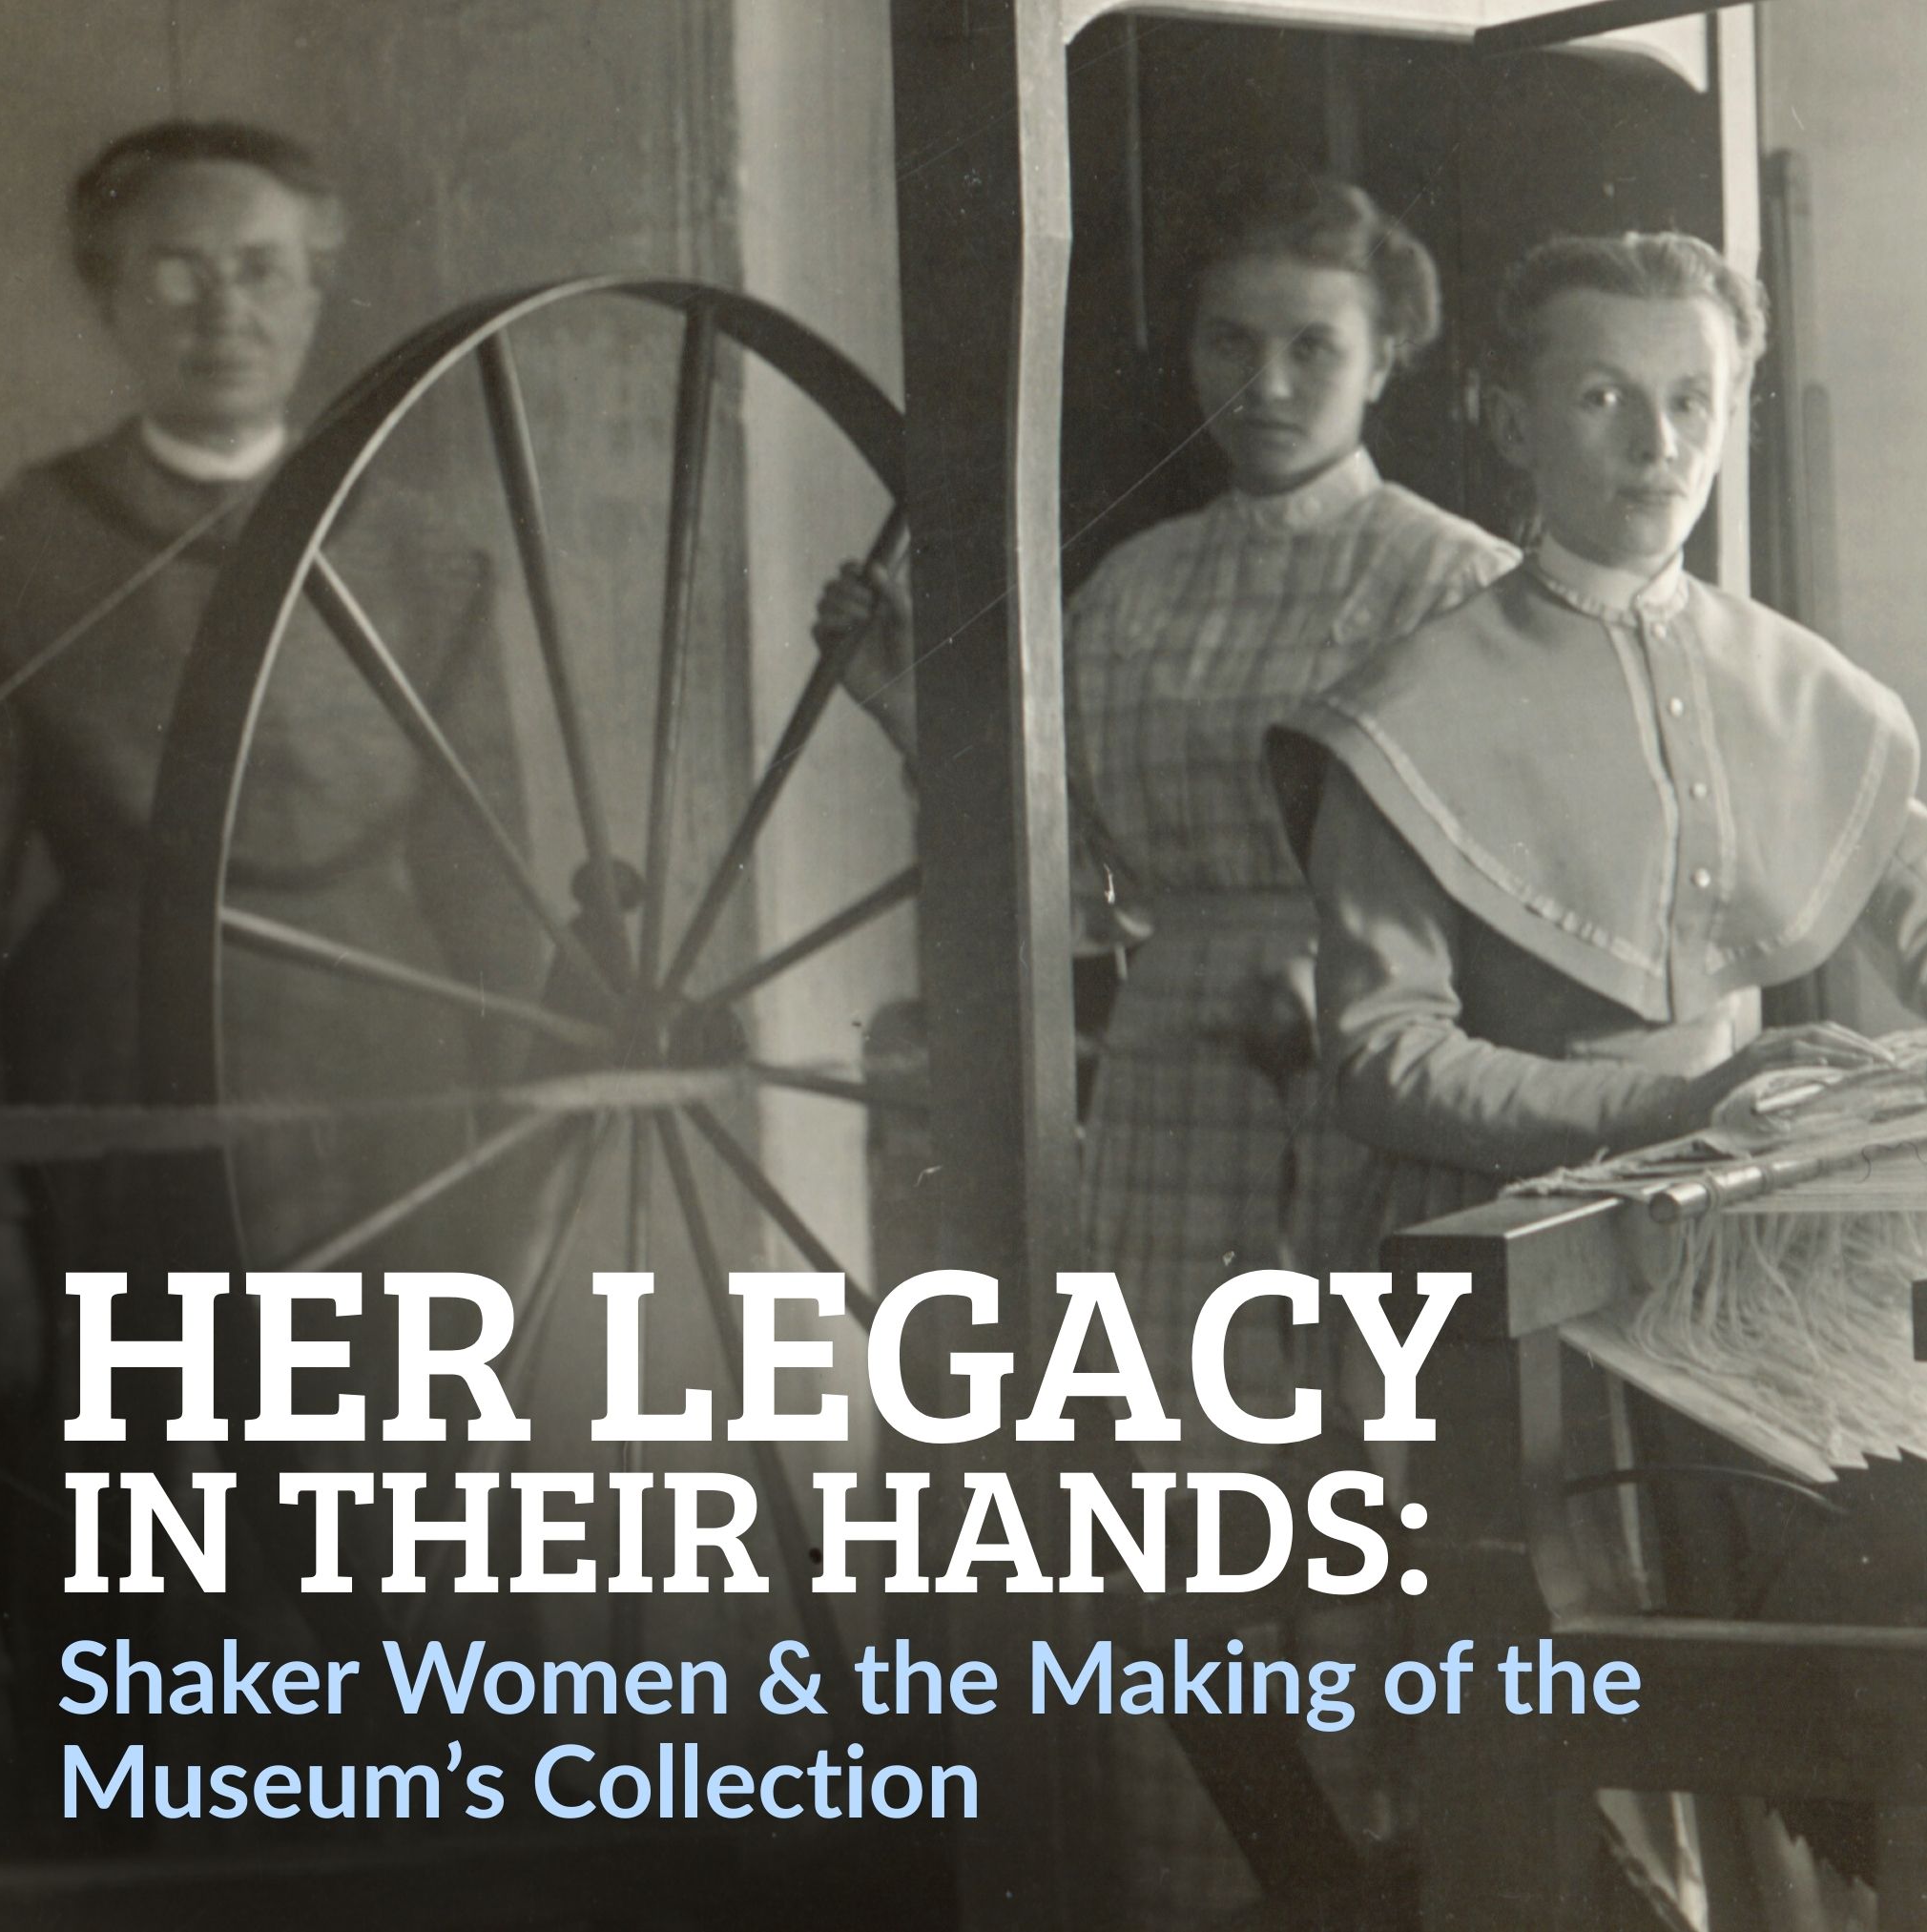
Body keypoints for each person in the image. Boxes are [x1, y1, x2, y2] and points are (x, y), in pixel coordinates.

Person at [817, 167, 1515, 1922]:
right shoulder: (1129, 581)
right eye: (1229, 341)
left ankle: (1356, 1882)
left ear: (1387, 361)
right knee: (1170, 1502)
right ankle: (1186, 1890)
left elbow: (1524, 883)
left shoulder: (1459, 581)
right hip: (1165, 1093)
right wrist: (925, 719)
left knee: (1344, 1499)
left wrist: (1369, 984)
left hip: (1371, 1097)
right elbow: (1065, 864)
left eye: (1309, 346)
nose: (1263, 381)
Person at [1271, 230, 1925, 1914]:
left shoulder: (1812, 696)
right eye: (1604, 398)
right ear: (1507, 417)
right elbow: (1381, 1057)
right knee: (1576, 1802)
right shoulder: (1403, 715)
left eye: (1694, 400)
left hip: (1750, 1280)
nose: (1658, 448)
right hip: (1507, 1302)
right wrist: (1677, 1106)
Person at [0, 121, 532, 1798]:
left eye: (259, 270)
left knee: (392, 1488)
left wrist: (525, 1099)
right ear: (107, 293)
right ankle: (160, 1840)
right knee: (147, 1491)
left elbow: (486, 864)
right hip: (121, 1065)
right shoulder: (21, 544)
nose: (218, 305)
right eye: (175, 265)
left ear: (312, 297)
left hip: (393, 1067)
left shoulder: (423, 542)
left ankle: (413, 1840)